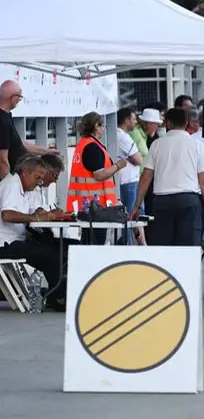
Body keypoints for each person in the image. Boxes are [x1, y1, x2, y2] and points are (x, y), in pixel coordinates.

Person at [131, 108, 204, 246]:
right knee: (188, 248)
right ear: (187, 122)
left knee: (163, 247)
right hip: (189, 201)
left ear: (168, 123)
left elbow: (145, 178)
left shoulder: (157, 145)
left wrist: (137, 205)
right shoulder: (197, 145)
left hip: (162, 202)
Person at [0, 155, 70, 311]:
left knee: (58, 249)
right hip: (4, 244)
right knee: (50, 255)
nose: (39, 182)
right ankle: (58, 298)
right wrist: (36, 217)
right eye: (37, 177)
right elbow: (7, 215)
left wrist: (47, 213)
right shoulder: (12, 184)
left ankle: (57, 295)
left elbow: (35, 209)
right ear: (25, 173)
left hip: (16, 240)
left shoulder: (27, 188)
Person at [67, 112, 127, 244]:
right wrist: (118, 165)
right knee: (96, 244)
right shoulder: (92, 148)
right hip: (95, 208)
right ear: (96, 126)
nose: (104, 129)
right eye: (103, 125)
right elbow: (99, 175)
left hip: (86, 205)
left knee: (89, 242)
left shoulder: (83, 145)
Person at [0, 80, 57, 179]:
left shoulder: (6, 116)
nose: (20, 100)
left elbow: (18, 143)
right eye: (20, 97)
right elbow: (2, 161)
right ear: (13, 98)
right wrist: (10, 185)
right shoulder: (2, 121)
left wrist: (46, 151)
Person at [115, 108, 143, 244]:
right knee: (130, 217)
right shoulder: (122, 136)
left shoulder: (121, 135)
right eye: (133, 119)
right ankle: (128, 247)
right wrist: (133, 158)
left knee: (135, 218)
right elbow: (138, 159)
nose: (136, 122)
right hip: (128, 183)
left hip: (129, 181)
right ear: (126, 120)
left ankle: (139, 245)